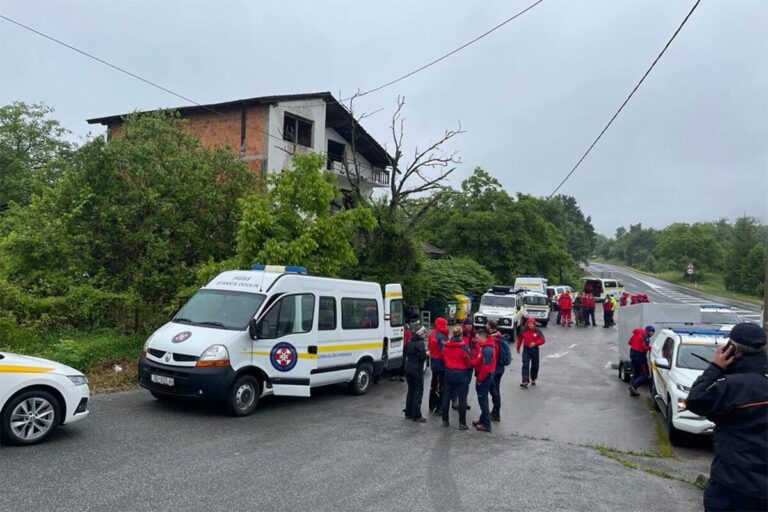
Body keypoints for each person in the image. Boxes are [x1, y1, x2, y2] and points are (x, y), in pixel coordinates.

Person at [686, 323, 768, 512]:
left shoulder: (730, 386)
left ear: (733, 350)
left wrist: (716, 367)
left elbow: (695, 400)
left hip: (732, 486)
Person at [441, 326, 473, 430]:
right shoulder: (464, 347)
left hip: (449, 372)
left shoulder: (446, 346)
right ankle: (462, 423)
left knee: (446, 397)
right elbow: (469, 362)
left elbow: (443, 357)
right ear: (461, 334)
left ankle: (445, 421)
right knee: (462, 399)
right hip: (461, 374)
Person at [472, 330, 497, 433]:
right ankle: (482, 420)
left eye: (477, 338)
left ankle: (486, 425)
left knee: (483, 400)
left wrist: (480, 379)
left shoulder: (487, 350)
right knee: (483, 399)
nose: (476, 339)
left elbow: (486, 367)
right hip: (484, 375)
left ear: (483, 338)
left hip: (484, 377)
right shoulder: (485, 346)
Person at [404, 325, 428, 422]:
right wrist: (426, 354)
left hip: (408, 368)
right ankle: (416, 415)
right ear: (420, 334)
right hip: (416, 370)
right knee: (418, 391)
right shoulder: (420, 344)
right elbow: (423, 357)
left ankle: (408, 413)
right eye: (424, 333)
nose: (425, 335)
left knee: (410, 391)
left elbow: (405, 352)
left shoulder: (409, 343)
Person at [517, 317, 546, 388]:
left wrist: (535, 343)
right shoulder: (523, 330)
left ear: (534, 324)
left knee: (535, 365)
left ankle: (533, 378)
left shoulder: (538, 331)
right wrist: (518, 347)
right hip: (526, 349)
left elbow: (543, 340)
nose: (530, 325)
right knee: (525, 364)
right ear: (527, 324)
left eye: (532, 324)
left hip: (535, 349)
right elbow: (520, 339)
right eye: (529, 324)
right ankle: (525, 381)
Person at [428, 317, 449, 414]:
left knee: (434, 384)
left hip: (434, 361)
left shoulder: (433, 333)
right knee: (439, 386)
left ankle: (432, 405)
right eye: (445, 324)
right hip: (440, 363)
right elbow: (445, 351)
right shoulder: (441, 336)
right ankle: (437, 407)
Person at [627, 325, 655, 396]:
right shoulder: (646, 337)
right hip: (640, 356)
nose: (652, 334)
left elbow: (629, 342)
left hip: (632, 354)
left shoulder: (636, 334)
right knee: (646, 374)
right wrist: (650, 348)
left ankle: (632, 389)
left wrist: (636, 344)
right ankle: (634, 385)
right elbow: (644, 348)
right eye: (651, 332)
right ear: (648, 331)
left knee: (636, 372)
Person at [487, 320, 504, 422]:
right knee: (495, 390)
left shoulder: (493, 339)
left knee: (494, 391)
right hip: (499, 367)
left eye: (487, 324)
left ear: (489, 326)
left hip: (495, 368)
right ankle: (495, 411)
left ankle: (496, 413)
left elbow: (493, 355)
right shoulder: (498, 336)